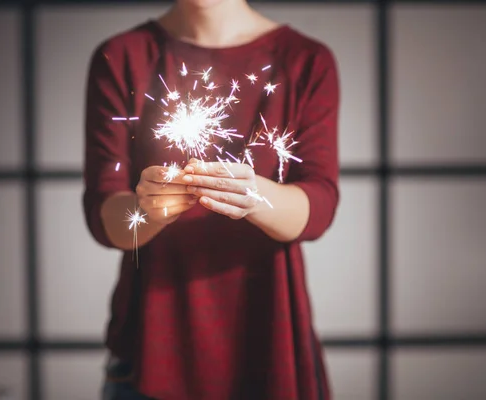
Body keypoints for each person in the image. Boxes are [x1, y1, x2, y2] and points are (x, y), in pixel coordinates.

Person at [83, 0, 340, 398]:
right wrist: (149, 210)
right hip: (150, 343)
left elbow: (319, 207)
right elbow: (106, 217)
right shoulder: (121, 57)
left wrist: (254, 197)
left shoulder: (306, 61)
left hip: (270, 339)